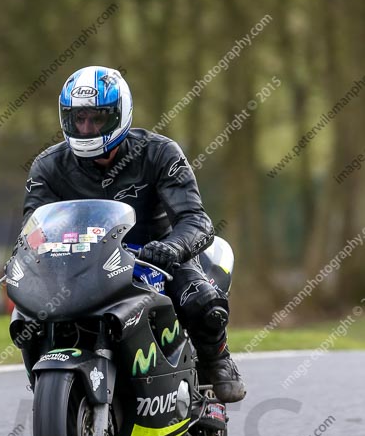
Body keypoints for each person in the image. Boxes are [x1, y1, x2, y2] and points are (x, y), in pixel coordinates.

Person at [22, 65, 246, 402]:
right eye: (78, 119)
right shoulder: (48, 166)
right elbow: (33, 227)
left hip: (154, 256)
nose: (87, 128)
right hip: (82, 261)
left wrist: (171, 248)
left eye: (97, 118)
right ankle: (50, 383)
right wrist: (29, 255)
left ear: (120, 114)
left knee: (202, 300)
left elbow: (195, 219)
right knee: (27, 315)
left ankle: (217, 361)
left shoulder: (160, 153)